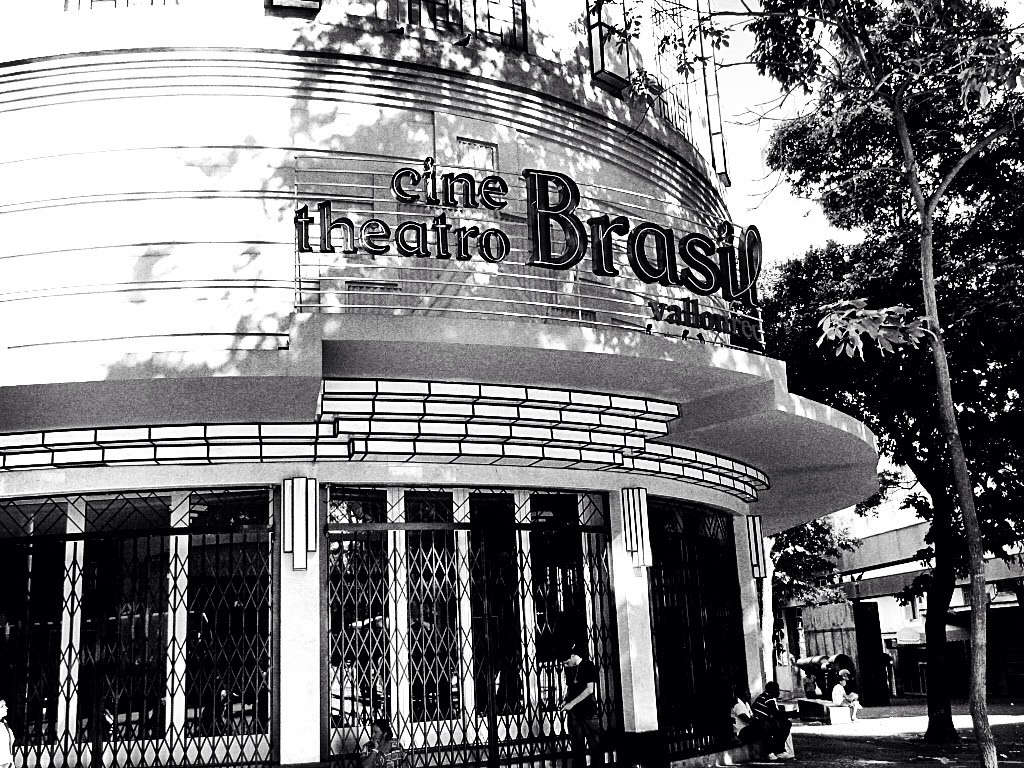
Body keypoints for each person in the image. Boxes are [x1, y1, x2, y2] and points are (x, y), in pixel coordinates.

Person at [559, 644, 602, 768]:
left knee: (594, 745)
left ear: (573, 656)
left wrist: (571, 703)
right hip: (574, 713)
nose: (565, 665)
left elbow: (589, 690)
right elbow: (570, 688)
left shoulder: (588, 665)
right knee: (577, 747)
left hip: (588, 711)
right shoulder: (569, 669)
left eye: (567, 662)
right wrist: (566, 700)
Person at [751, 682, 792, 761]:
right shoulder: (768, 698)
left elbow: (773, 714)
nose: (778, 693)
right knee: (785, 724)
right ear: (771, 690)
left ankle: (778, 750)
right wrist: (792, 714)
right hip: (760, 724)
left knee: (784, 724)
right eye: (777, 690)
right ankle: (774, 751)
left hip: (763, 722)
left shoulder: (763, 697)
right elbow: (775, 713)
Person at [0, 699, 14, 768]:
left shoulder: (4, 723)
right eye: (2, 706)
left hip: (8, 763)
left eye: (5, 705)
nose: (6, 708)